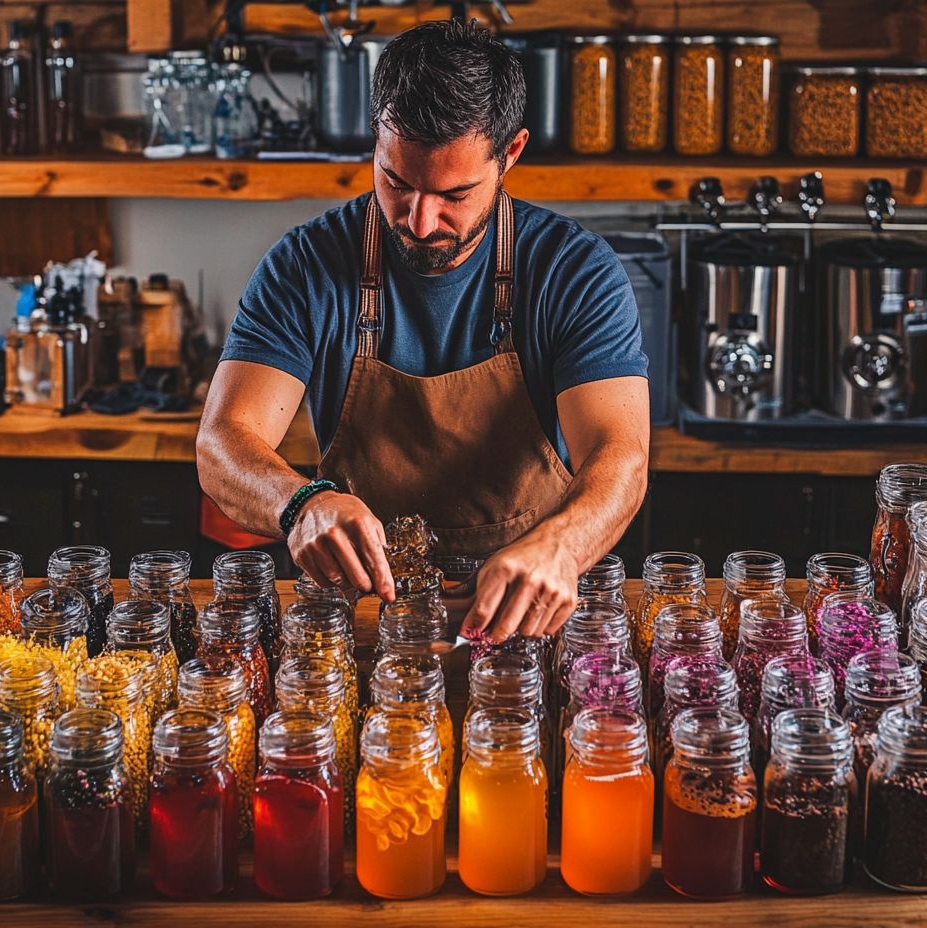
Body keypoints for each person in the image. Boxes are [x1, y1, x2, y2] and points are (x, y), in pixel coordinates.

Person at [197, 20, 649, 641]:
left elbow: (620, 454)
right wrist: (301, 503)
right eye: (396, 182)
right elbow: (223, 444)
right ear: (376, 140)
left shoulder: (575, 270)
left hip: (532, 615)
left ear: (509, 154)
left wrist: (564, 548)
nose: (418, 220)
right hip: (366, 619)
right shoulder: (307, 264)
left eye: (454, 195)